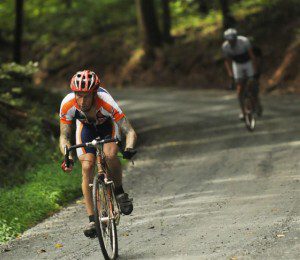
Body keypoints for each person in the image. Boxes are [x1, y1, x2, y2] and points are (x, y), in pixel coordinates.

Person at [59, 70, 137, 238]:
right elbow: (64, 136)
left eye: (86, 96)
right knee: (87, 167)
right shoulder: (67, 104)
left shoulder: (106, 102)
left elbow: (130, 131)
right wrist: (68, 156)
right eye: (78, 95)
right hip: (86, 129)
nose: (82, 100)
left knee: (110, 155)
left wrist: (129, 148)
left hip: (107, 127)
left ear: (94, 93)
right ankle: (92, 220)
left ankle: (119, 192)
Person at [222, 28, 263, 119]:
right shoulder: (225, 47)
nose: (231, 42)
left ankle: (255, 100)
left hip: (247, 62)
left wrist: (255, 70)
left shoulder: (244, 41)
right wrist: (230, 74)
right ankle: (243, 111)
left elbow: (252, 56)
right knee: (239, 88)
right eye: (229, 41)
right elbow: (227, 61)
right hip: (237, 64)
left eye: (233, 40)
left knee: (252, 82)